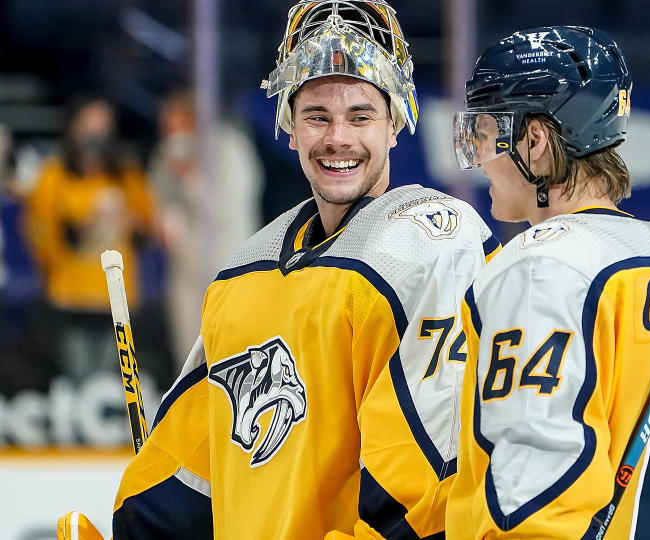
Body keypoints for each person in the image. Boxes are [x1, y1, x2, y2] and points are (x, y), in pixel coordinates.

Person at [57, 2, 499, 539]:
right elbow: (201, 462)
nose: (338, 137)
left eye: (361, 116)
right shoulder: (246, 271)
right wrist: (141, 531)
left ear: (395, 126)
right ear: (289, 128)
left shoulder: (433, 245)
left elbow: (432, 470)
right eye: (317, 116)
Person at [446, 26, 650, 538]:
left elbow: (533, 504)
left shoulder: (543, 268)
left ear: (534, 140)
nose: (480, 159)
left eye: (486, 134)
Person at [22, 95, 155, 382]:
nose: (95, 136)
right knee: (76, 377)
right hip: (71, 294)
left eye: (102, 127)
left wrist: (130, 223)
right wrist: (79, 230)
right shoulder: (54, 176)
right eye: (88, 126)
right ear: (73, 128)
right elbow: (40, 232)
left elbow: (147, 228)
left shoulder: (126, 175)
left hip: (117, 295)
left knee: (113, 379)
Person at [149, 88, 264, 364]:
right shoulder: (167, 153)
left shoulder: (228, 146)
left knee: (229, 352)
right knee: (186, 351)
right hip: (185, 270)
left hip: (227, 266)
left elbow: (226, 208)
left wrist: (190, 178)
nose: (169, 130)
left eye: (175, 122)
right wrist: (164, 221)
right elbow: (156, 197)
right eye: (165, 124)